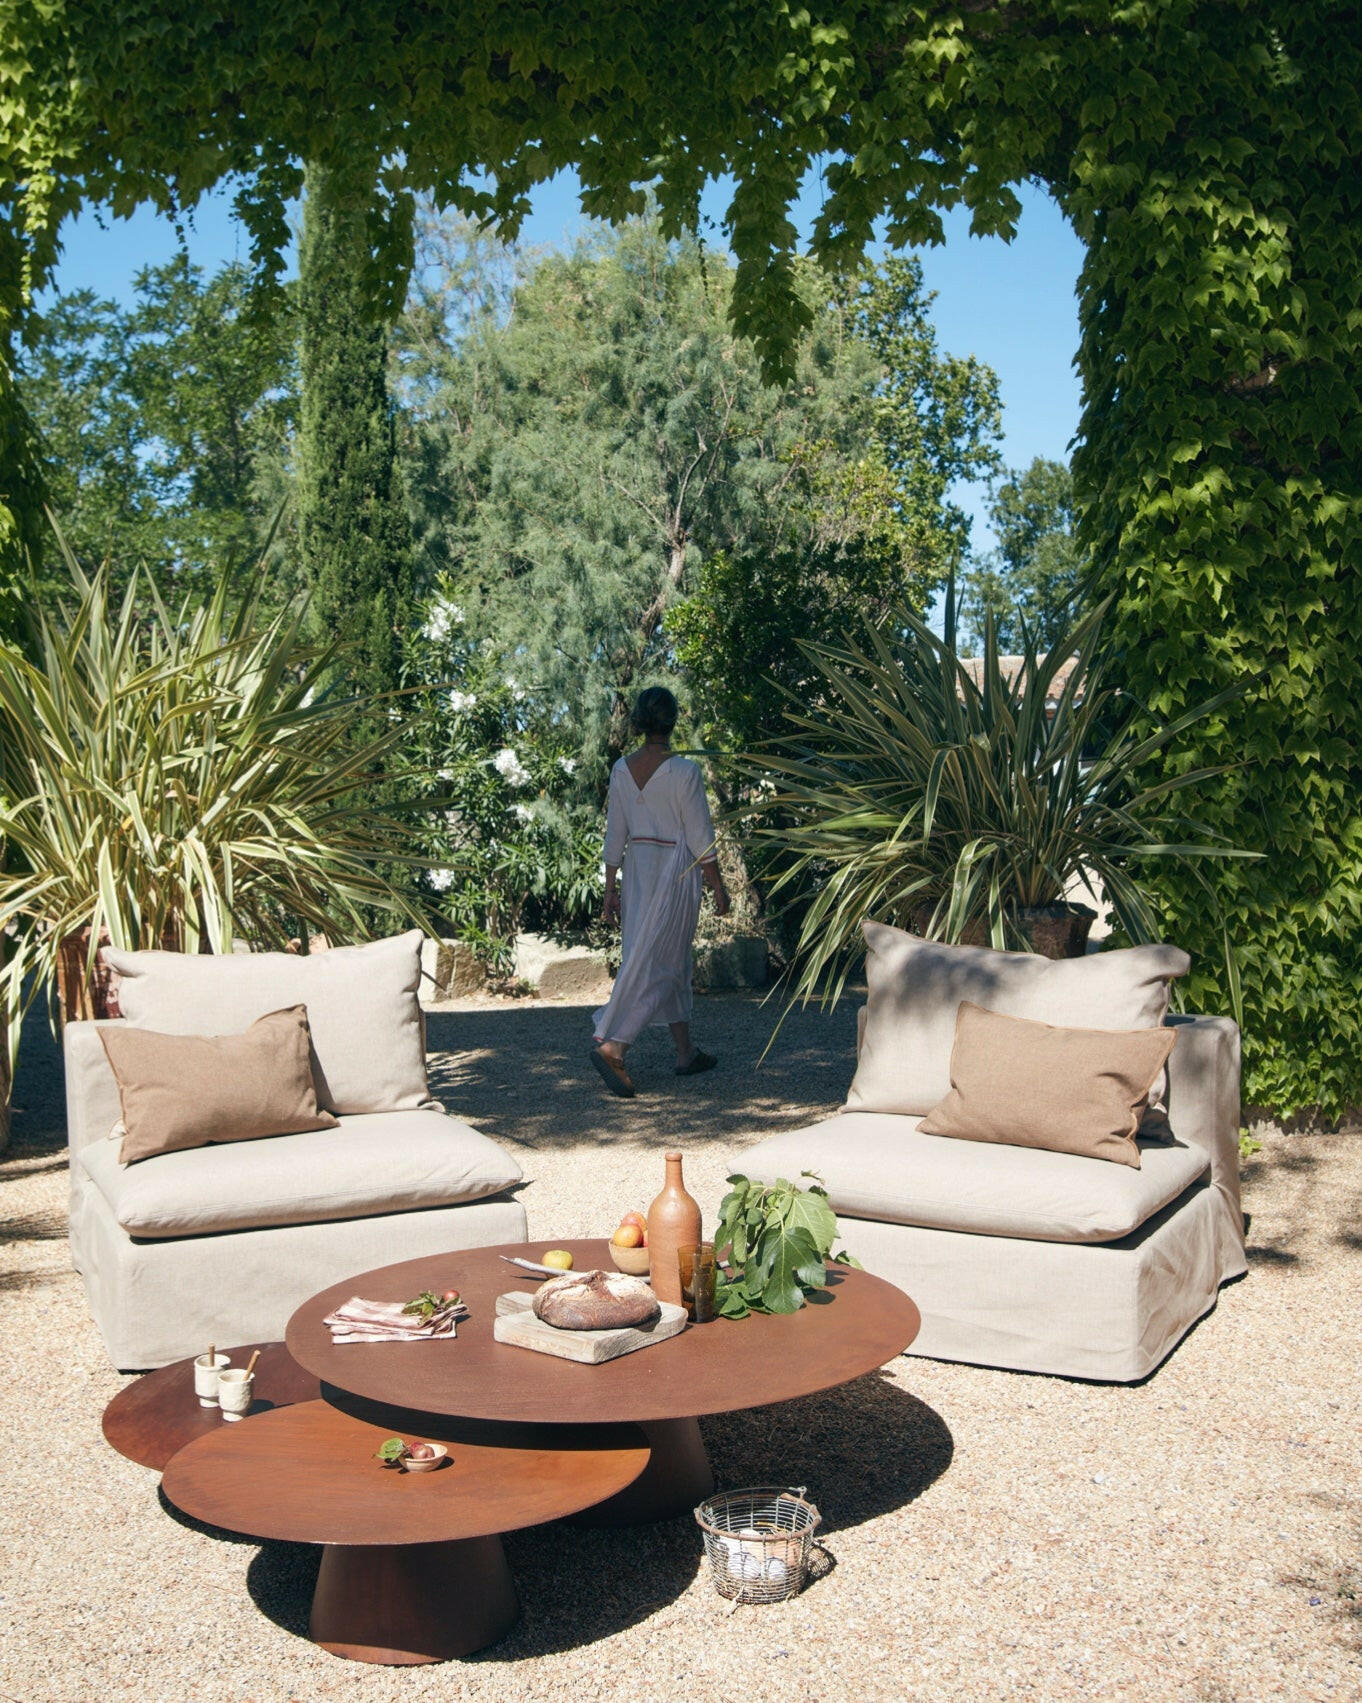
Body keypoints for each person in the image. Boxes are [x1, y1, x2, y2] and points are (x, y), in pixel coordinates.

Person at [589, 686, 730, 1097]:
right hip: (676, 873)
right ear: (672, 722)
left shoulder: (620, 769)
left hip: (637, 872)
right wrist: (718, 886)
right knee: (664, 963)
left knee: (659, 958)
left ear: (638, 722)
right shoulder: (685, 771)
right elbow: (702, 836)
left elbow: (615, 835)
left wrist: (610, 890)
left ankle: (685, 1053)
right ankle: (615, 1047)